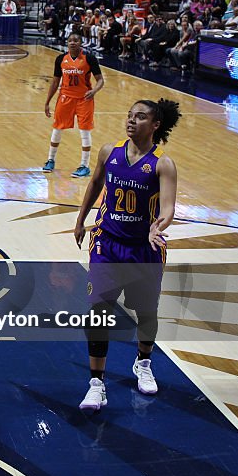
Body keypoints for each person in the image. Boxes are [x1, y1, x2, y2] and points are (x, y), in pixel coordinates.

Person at [73, 100, 181, 411]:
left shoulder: (163, 164)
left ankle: (143, 362)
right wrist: (80, 220)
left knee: (146, 313)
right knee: (98, 311)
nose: (131, 121)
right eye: (129, 115)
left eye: (140, 117)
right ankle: (96, 383)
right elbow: (95, 183)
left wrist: (158, 226)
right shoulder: (109, 152)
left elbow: (169, 206)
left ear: (155, 124)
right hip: (107, 244)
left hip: (144, 249)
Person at [42, 33, 104, 177]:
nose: (72, 43)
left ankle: (85, 165)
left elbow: (100, 80)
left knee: (85, 131)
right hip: (65, 98)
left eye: (76, 40)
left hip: (84, 99)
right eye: (70, 40)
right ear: (67, 43)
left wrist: (94, 91)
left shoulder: (89, 58)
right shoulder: (60, 59)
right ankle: (50, 160)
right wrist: (47, 102)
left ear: (80, 43)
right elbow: (55, 82)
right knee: (57, 128)